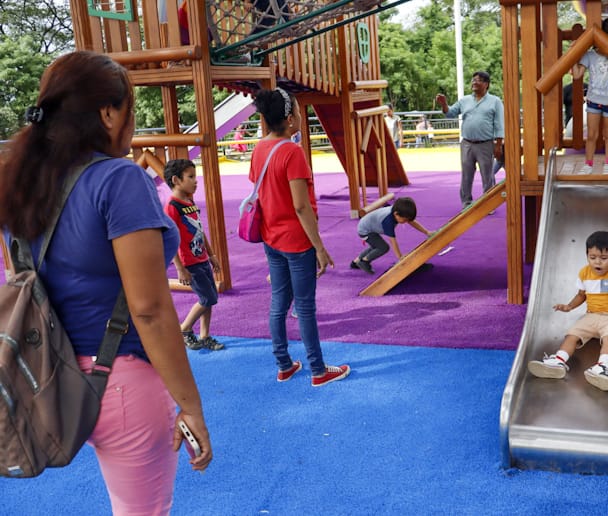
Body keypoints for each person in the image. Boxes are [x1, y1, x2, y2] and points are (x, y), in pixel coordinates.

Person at [0, 51, 212, 513]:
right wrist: (191, 405)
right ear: (109, 113)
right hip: (120, 380)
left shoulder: (20, 179)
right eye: (130, 108)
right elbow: (149, 309)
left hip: (48, 375)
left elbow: (22, 276)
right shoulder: (118, 180)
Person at [250, 87, 350, 387]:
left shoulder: (259, 149)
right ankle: (318, 370)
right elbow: (300, 205)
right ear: (290, 118)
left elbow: (261, 190)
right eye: (296, 109)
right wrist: (319, 246)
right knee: (304, 307)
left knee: (279, 303)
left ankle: (284, 365)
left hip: (271, 237)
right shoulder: (292, 152)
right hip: (296, 239)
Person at [527, 231, 608, 391]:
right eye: (592, 257)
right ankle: (559, 361)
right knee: (572, 334)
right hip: (591, 315)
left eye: (604, 258)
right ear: (587, 255)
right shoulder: (584, 273)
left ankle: (602, 367)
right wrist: (569, 306)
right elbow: (581, 295)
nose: (597, 262)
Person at [164, 159, 225, 351]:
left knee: (210, 297)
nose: (195, 181)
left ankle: (204, 335)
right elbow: (170, 239)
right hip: (189, 263)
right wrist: (180, 268)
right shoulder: (172, 207)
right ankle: (184, 328)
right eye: (190, 177)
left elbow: (199, 229)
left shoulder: (189, 201)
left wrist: (211, 254)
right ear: (176, 180)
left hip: (201, 258)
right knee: (207, 298)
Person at [435, 71, 504, 209]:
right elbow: (450, 113)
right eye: (473, 80)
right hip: (467, 143)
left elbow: (499, 124)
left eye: (478, 80)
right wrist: (444, 104)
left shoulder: (495, 101)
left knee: (487, 175)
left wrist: (498, 145)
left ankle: (488, 204)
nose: (474, 82)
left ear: (486, 84)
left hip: (485, 144)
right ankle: (466, 202)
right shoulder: (464, 100)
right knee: (466, 174)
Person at [571, 16, 608, 175]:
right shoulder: (590, 56)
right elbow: (577, 75)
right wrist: (573, 55)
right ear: (604, 35)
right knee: (592, 135)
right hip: (594, 100)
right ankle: (588, 164)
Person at [350, 197, 435, 274]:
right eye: (404, 220)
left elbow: (412, 222)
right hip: (365, 230)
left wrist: (426, 232)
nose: (406, 222)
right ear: (396, 214)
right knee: (383, 247)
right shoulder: (388, 221)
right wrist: (400, 257)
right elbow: (392, 241)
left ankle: (355, 262)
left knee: (375, 246)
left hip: (368, 225)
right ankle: (365, 261)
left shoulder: (399, 210)